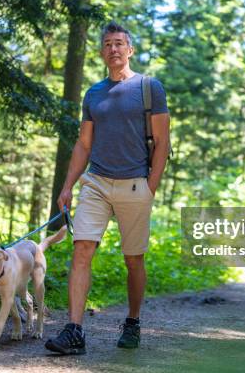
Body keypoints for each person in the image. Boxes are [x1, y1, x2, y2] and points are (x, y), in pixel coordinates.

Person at [44, 21, 170, 355]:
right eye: (107, 44)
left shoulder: (149, 87)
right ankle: (74, 331)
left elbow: (162, 142)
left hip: (135, 185)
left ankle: (132, 321)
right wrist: (68, 185)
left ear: (130, 50)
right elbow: (84, 144)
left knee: (133, 260)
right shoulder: (94, 93)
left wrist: (150, 188)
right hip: (96, 182)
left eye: (119, 43)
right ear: (102, 52)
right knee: (82, 249)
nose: (113, 49)